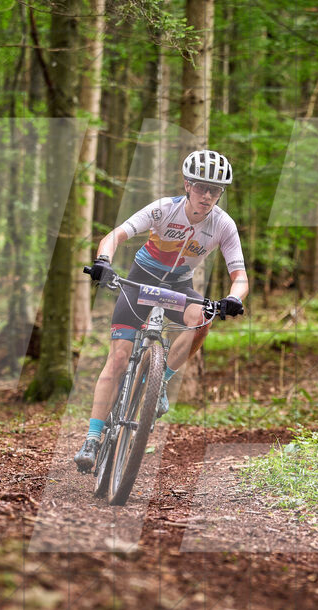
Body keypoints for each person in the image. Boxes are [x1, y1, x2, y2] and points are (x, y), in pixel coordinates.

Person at [75, 150, 249, 472]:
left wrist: (234, 298)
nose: (207, 196)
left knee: (202, 317)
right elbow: (116, 236)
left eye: (215, 190)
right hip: (140, 281)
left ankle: (162, 382)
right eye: (200, 187)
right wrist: (103, 262)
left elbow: (240, 276)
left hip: (179, 286)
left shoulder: (223, 224)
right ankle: (92, 438)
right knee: (118, 359)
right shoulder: (163, 209)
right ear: (187, 185)